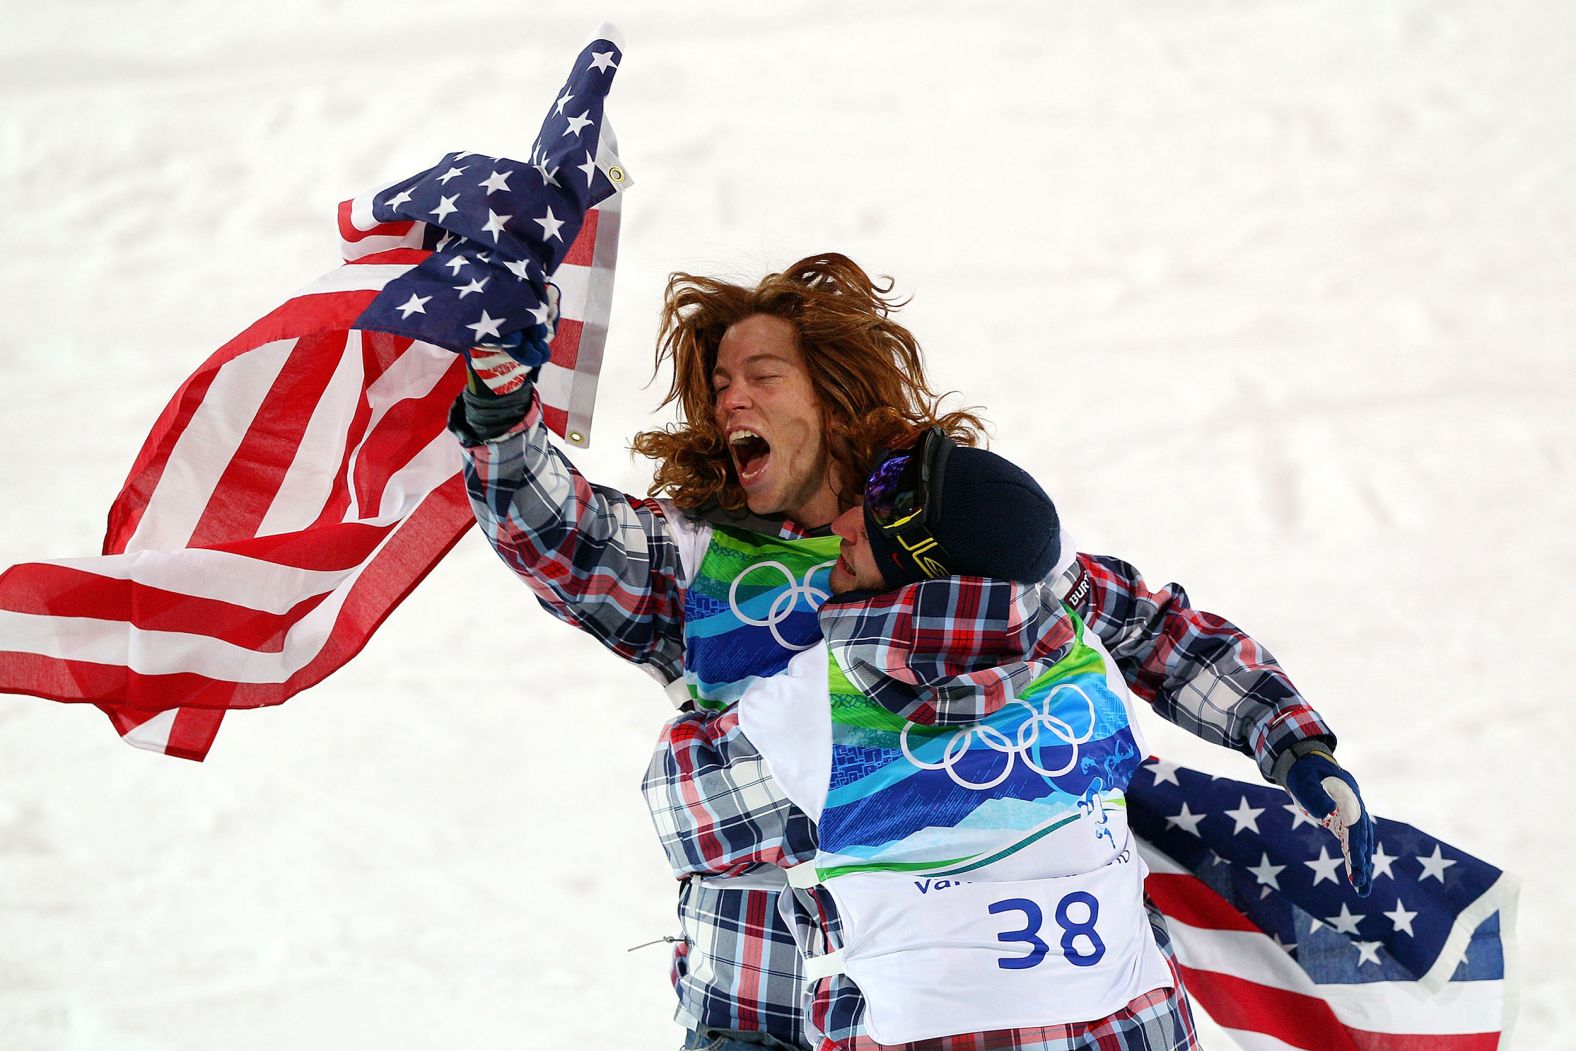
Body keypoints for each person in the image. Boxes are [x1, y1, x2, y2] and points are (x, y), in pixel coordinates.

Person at [449, 251, 1374, 1050]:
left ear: (834, 390)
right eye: (718, 384)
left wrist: (1291, 739)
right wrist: (500, 403)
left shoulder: (953, 532)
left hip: (1058, 989)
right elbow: (556, 532)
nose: (731, 396)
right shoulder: (700, 559)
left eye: (761, 373)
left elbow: (1152, 625)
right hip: (788, 990)